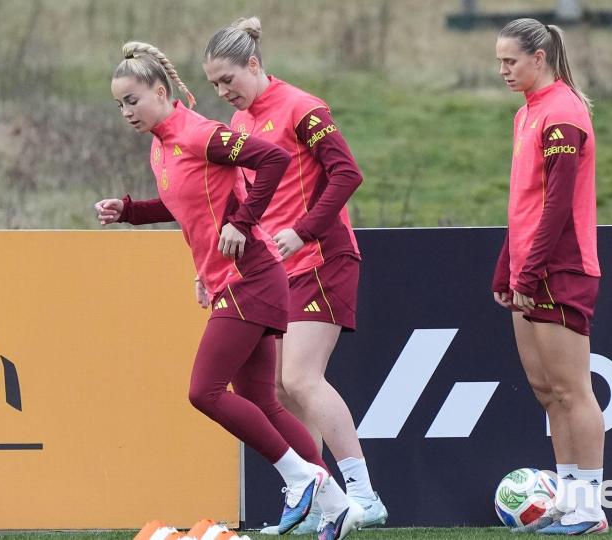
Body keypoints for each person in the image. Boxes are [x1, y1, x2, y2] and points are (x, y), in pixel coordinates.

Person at [96, 41, 362, 540]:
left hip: (252, 277)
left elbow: (275, 160)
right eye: (119, 104)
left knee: (205, 392)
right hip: (235, 279)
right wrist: (130, 211)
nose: (126, 111)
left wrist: (243, 222)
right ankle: (334, 504)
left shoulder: (199, 133)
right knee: (263, 401)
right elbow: (186, 206)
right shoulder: (161, 144)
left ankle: (303, 478)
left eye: (132, 100)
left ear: (161, 90)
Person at [202, 17, 386, 535]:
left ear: (254, 65)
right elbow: (245, 206)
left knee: (300, 378)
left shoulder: (302, 107)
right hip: (276, 270)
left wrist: (304, 231)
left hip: (323, 256)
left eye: (228, 80)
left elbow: (348, 173)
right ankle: (320, 497)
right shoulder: (239, 127)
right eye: (213, 85)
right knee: (279, 392)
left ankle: (364, 496)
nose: (222, 93)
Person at [491, 19, 607, 536]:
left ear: (540, 57)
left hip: (560, 267)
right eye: (499, 62)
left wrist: (531, 268)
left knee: (572, 389)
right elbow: (525, 202)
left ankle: (590, 510)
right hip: (531, 266)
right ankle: (567, 502)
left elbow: (558, 204)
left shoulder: (563, 112)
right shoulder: (527, 115)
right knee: (546, 390)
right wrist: (506, 263)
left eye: (510, 61)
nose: (502, 71)